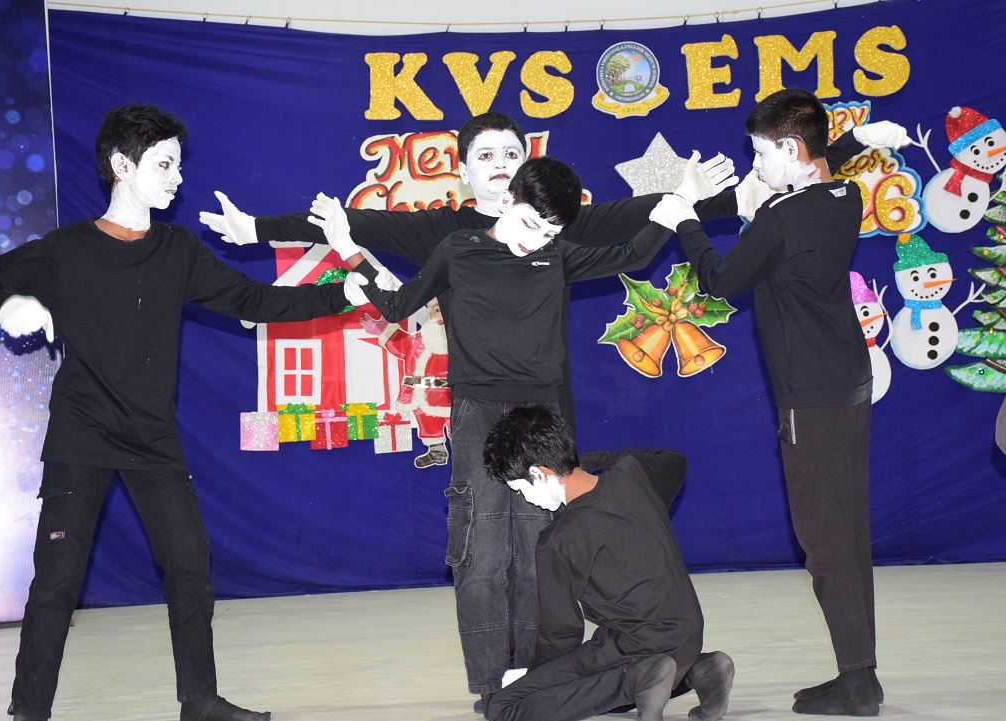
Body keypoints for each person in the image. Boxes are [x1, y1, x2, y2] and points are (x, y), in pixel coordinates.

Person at [0, 104, 361, 721]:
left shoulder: (177, 250)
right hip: (82, 434)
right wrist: (12, 306)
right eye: (165, 164)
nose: (177, 177)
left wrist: (341, 293)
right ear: (122, 166)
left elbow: (254, 300)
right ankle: (28, 710)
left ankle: (199, 699)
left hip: (152, 438)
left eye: (177, 164)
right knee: (57, 580)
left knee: (190, 568)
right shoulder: (65, 250)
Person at [308, 153, 727, 706]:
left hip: (540, 413)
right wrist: (347, 247)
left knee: (539, 555)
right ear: (507, 200)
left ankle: (530, 682)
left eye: (550, 232)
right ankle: (490, 688)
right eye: (531, 224)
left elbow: (632, 253)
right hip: (477, 412)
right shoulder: (459, 249)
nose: (537, 241)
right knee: (480, 553)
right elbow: (398, 304)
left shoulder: (555, 255)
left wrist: (681, 201)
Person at [198, 112, 879, 431]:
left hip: (549, 396)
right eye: (486, 155)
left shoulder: (562, 221)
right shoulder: (442, 231)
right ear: (464, 169)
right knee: (486, 530)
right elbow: (346, 222)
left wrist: (830, 155)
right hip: (478, 400)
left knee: (556, 520)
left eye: (511, 154)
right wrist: (253, 229)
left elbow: (665, 211)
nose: (499, 164)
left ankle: (556, 650)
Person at [674, 88, 898, 717]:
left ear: (794, 151)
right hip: (847, 382)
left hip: (810, 395)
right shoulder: (843, 195)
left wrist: (686, 217)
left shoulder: (780, 216)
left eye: (760, 155)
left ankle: (858, 682)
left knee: (823, 538)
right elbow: (825, 165)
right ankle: (860, 671)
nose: (755, 167)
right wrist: (857, 140)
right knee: (848, 528)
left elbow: (720, 280)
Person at [479, 404, 733, 721]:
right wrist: (580, 462)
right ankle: (702, 670)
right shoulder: (633, 475)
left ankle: (639, 677)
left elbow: (560, 635)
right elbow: (673, 460)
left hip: (637, 646)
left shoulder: (558, 540)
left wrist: (537, 683)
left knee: (501, 707)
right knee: (611, 688)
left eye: (519, 488)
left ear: (539, 475)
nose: (526, 499)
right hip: (688, 637)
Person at [360, 298, 451, 468]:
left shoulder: (459, 341)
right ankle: (436, 452)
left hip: (450, 396)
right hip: (421, 395)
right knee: (428, 424)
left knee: (458, 425)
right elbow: (401, 345)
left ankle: (465, 455)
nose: (439, 316)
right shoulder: (419, 340)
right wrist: (383, 330)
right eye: (436, 310)